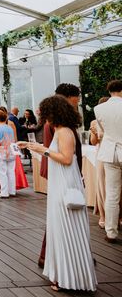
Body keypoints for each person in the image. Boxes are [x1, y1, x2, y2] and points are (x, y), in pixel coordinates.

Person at [25, 95, 97, 292]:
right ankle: (64, 276)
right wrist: (37, 148)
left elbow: (66, 159)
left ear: (54, 113)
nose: (44, 119)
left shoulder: (64, 131)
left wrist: (44, 150)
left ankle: (71, 279)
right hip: (59, 184)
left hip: (65, 185)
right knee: (59, 230)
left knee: (67, 229)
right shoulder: (60, 131)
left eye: (46, 114)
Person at [38, 83, 83, 268]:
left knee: (61, 217)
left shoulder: (60, 126)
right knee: (61, 217)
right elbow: (64, 156)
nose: (77, 101)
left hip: (63, 173)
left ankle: (62, 255)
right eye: (76, 97)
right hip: (62, 174)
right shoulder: (59, 126)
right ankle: (55, 256)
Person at [95, 79, 122, 243]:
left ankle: (111, 232)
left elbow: (101, 132)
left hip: (110, 153)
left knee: (112, 194)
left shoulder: (99, 109)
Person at [90, 96, 109, 229]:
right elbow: (93, 142)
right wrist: (94, 132)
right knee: (102, 184)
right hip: (102, 154)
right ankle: (103, 215)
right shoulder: (94, 122)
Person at [0, 109, 16, 198]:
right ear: (6, 118)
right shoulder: (9, 128)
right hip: (11, 152)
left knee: (2, 172)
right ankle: (12, 191)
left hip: (1, 152)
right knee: (11, 172)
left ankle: (4, 192)